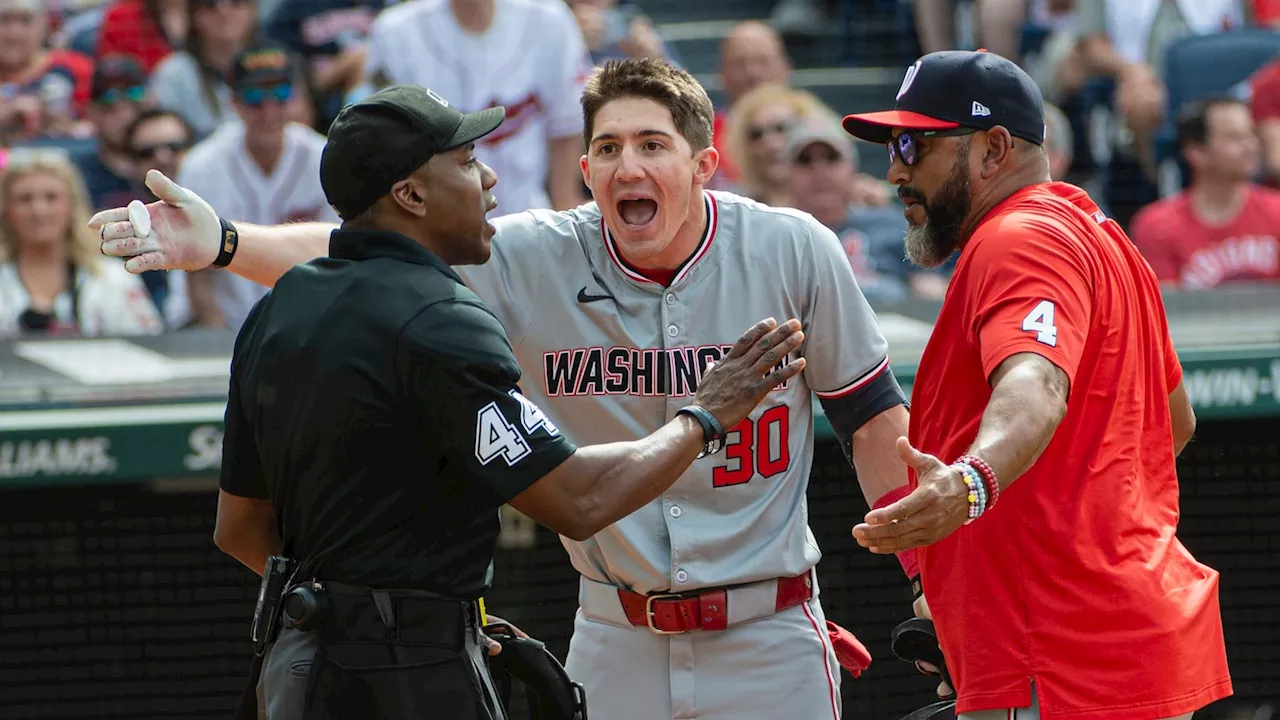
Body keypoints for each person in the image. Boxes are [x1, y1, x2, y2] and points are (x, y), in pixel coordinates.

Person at [93, 57, 914, 720]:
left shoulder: (793, 248)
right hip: (614, 627)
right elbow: (360, 250)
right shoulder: (526, 255)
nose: (629, 164)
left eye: (653, 145)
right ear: (585, 167)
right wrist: (232, 244)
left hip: (767, 628)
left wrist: (927, 579)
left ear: (704, 162)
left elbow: (875, 423)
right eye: (608, 147)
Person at [840, 49, 1233, 720]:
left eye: (914, 143)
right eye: (891, 145)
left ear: (994, 148)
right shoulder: (1102, 236)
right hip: (1115, 642)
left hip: (1060, 662)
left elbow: (1034, 384)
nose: (896, 169)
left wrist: (971, 487)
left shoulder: (1018, 238)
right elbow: (1176, 422)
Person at [1129, 98, 1280, 289]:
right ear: (1196, 152)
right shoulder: (1157, 227)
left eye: (1251, 134)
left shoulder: (1277, 214)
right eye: (1234, 137)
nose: (1250, 146)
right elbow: (1161, 310)